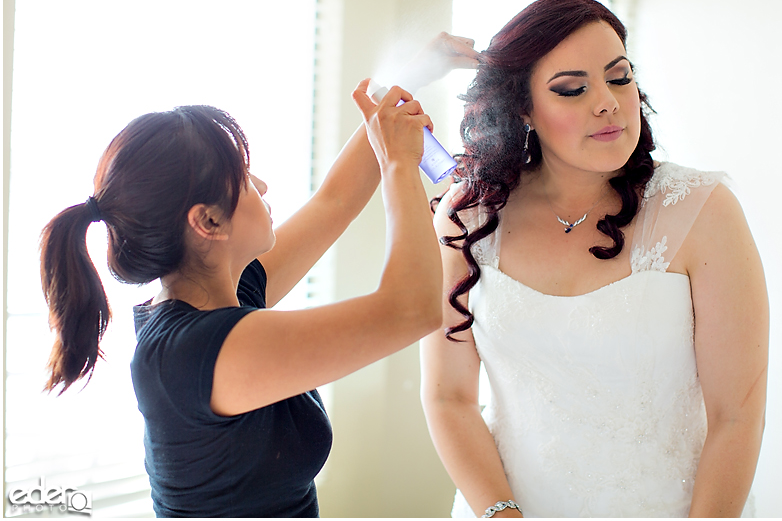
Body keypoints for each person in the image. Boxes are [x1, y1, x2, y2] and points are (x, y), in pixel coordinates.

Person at [37, 34, 478, 517]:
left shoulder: (216, 296)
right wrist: (399, 164)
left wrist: (409, 78)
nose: (263, 185)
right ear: (207, 222)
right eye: (245, 178)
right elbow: (409, 312)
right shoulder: (197, 351)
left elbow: (334, 200)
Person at [421, 0, 768, 517]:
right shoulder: (468, 218)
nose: (606, 101)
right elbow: (449, 398)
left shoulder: (702, 211)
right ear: (523, 109)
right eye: (572, 89)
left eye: (619, 77)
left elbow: (735, 417)